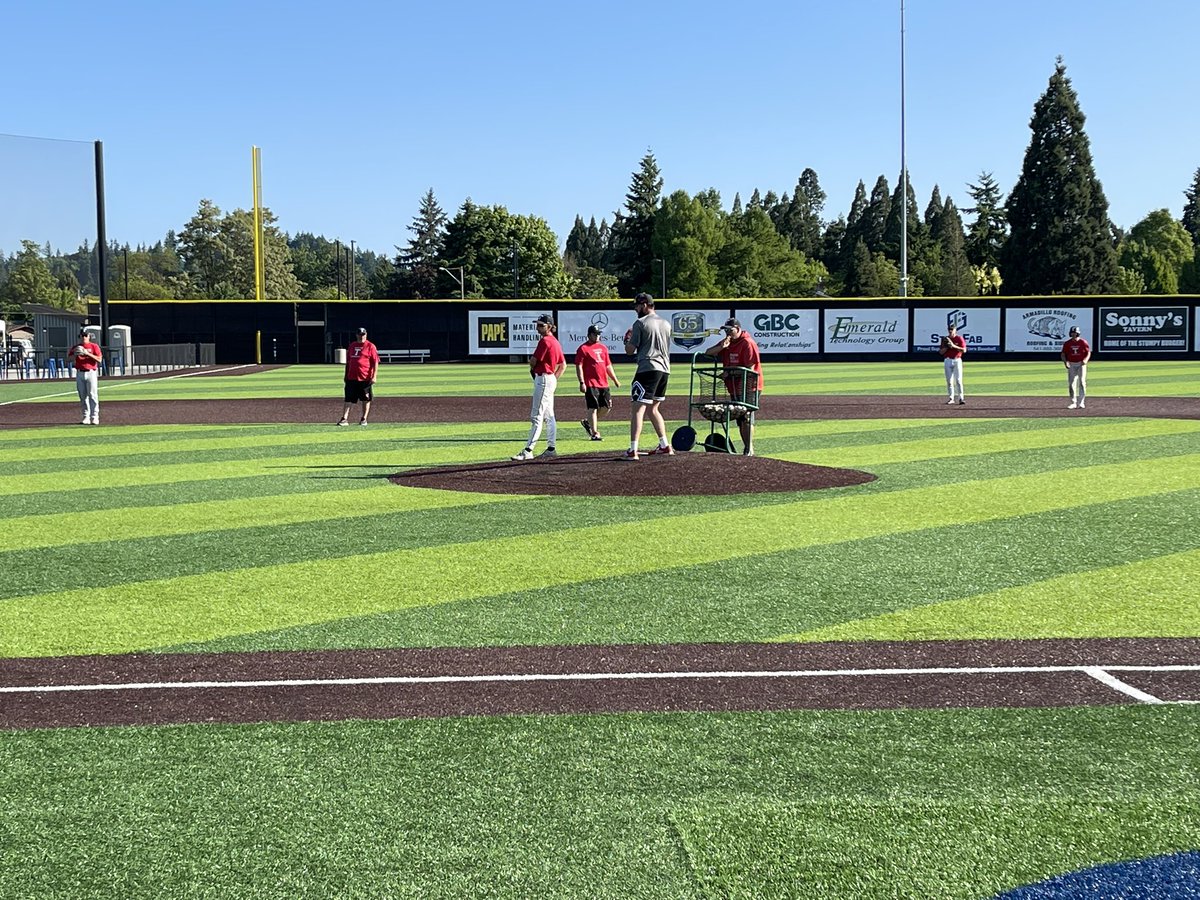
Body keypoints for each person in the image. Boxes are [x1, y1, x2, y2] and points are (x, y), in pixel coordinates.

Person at [620, 292, 673, 460]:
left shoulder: (640, 323)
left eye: (637, 305)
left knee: (638, 408)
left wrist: (626, 341)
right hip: (664, 369)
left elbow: (630, 350)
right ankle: (665, 445)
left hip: (647, 368)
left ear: (644, 305)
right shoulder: (666, 323)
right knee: (653, 408)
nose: (635, 309)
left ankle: (633, 449)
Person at [702, 317, 763, 456]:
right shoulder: (728, 342)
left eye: (731, 330)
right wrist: (721, 347)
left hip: (750, 385)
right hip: (734, 385)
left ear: (738, 329)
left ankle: (749, 448)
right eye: (726, 331)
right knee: (740, 416)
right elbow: (708, 352)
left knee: (746, 415)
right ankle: (746, 448)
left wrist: (729, 373)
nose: (728, 333)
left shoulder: (747, 342)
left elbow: (750, 369)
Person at [512, 314, 566, 460]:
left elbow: (533, 361)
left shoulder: (545, 341)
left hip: (543, 378)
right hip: (550, 379)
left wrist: (545, 377)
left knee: (537, 416)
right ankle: (551, 448)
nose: (538, 327)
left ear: (549, 326)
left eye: (541, 325)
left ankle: (528, 450)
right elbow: (563, 365)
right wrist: (553, 378)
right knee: (549, 416)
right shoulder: (555, 342)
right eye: (537, 324)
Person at [575, 324, 621, 442]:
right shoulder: (583, 349)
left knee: (607, 407)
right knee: (593, 408)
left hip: (603, 383)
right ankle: (595, 433)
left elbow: (607, 365)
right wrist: (581, 382)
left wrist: (615, 379)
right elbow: (579, 366)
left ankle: (587, 422)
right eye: (595, 334)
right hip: (591, 383)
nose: (598, 336)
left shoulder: (603, 348)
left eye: (599, 334)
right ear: (589, 335)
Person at [337, 327, 379, 425]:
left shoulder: (370, 346)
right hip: (352, 377)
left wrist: (374, 376)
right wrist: (346, 375)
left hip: (365, 377)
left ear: (366, 334)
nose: (361, 337)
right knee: (348, 398)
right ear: (357, 335)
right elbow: (348, 362)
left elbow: (375, 362)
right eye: (360, 335)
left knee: (366, 398)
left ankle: (364, 418)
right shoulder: (352, 345)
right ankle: (344, 418)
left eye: (363, 335)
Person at [71, 328, 102, 425]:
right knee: (82, 396)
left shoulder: (94, 346)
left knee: (92, 395)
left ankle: (95, 417)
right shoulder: (76, 347)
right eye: (82, 335)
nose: (84, 337)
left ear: (89, 337)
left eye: (85, 335)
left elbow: (99, 359)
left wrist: (87, 353)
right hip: (80, 372)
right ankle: (86, 417)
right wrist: (75, 355)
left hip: (91, 372)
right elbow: (68, 359)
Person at [1061, 324, 1091, 409]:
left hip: (1081, 363)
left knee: (1082, 382)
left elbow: (1088, 352)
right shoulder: (1067, 343)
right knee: (1071, 383)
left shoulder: (1083, 342)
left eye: (1075, 333)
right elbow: (1063, 354)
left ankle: (1081, 402)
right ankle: (1073, 402)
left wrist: (1085, 360)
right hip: (1072, 363)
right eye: (1072, 333)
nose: (1074, 335)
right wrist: (1066, 362)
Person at [940, 322, 967, 405]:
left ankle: (961, 398)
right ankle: (951, 398)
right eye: (949, 330)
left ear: (955, 330)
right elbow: (941, 352)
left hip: (957, 360)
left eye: (952, 330)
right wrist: (946, 347)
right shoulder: (945, 339)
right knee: (949, 381)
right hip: (947, 360)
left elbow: (964, 350)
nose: (950, 331)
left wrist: (953, 346)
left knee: (958, 380)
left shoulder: (959, 339)